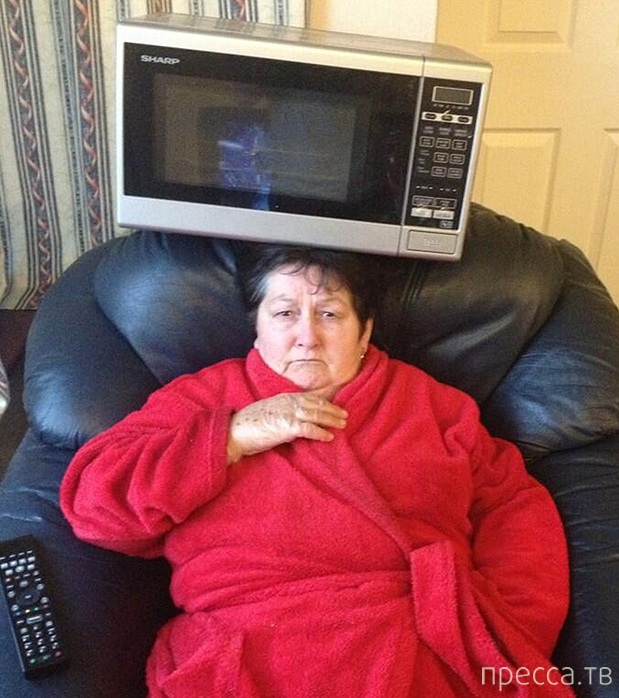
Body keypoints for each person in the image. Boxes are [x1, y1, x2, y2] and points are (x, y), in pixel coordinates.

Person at [60, 244, 573, 697]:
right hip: (246, 647)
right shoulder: (201, 399)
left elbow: (515, 510)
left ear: (365, 331)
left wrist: (498, 632)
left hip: (414, 642)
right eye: (284, 313)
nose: (306, 337)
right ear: (256, 327)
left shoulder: (436, 407)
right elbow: (94, 505)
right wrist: (230, 437)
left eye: (329, 313)